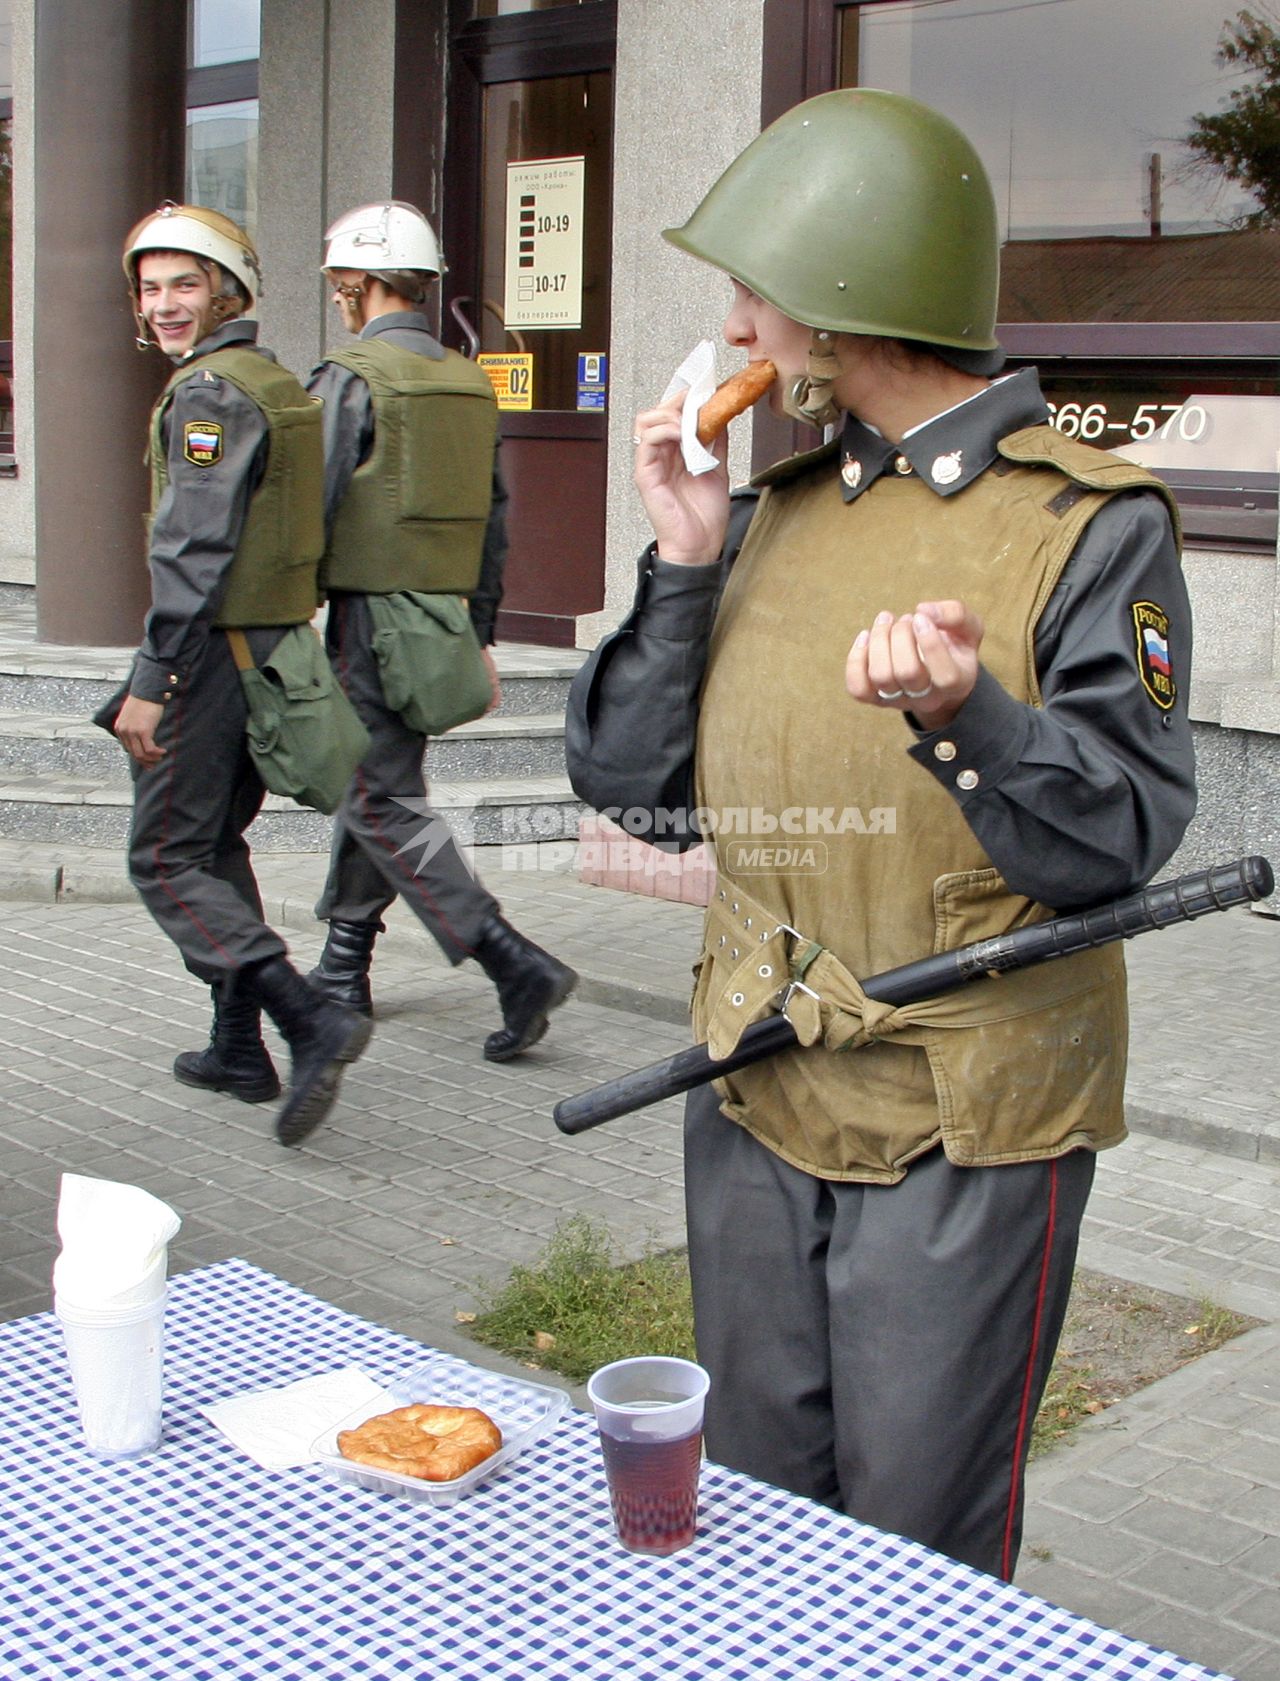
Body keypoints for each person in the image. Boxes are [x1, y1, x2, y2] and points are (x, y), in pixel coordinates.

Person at [565, 90, 1196, 1579]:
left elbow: (1121, 836)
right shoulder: (772, 506)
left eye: (751, 293)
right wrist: (682, 557)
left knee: (913, 1550)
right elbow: (634, 787)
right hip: (756, 1092)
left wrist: (973, 711)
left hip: (966, 1126)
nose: (731, 329)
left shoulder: (1085, 525)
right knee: (761, 1521)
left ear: (847, 302)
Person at [111, 202, 372, 1147]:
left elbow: (192, 547)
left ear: (227, 289)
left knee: (165, 858)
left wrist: (150, 677)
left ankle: (308, 1018)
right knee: (213, 845)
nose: (167, 303)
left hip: (212, 657)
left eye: (186, 283)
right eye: (152, 287)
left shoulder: (213, 394)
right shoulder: (273, 379)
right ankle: (237, 1044)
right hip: (262, 650)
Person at [302, 201, 576, 1059]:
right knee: (378, 787)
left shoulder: (348, 376)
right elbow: (496, 518)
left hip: (368, 618)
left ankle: (509, 958)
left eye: (339, 284)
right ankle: (344, 964)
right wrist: (482, 628)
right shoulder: (468, 379)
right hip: (442, 619)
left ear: (354, 283)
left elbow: (305, 506)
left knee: (378, 796)